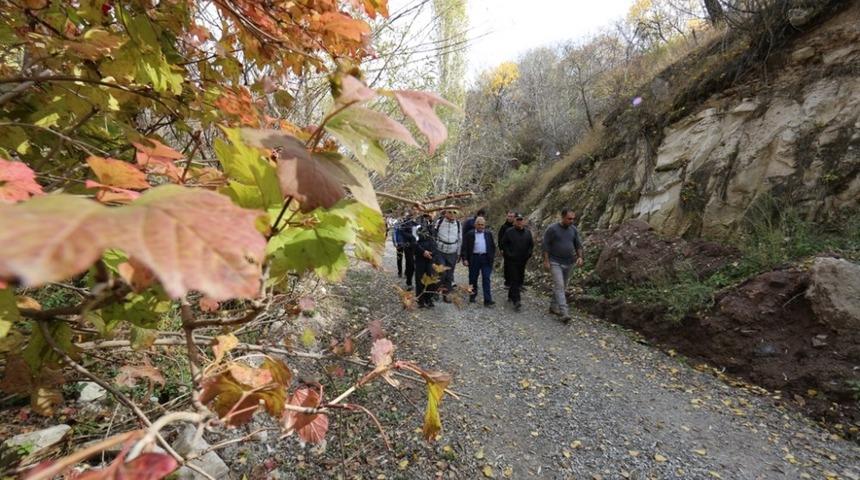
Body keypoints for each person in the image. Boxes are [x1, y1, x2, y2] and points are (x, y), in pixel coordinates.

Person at [542, 208, 584, 323]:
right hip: (555, 261)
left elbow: (578, 245)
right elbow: (545, 245)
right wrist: (546, 261)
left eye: (573, 219)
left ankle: (553, 306)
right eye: (569, 219)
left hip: (569, 262)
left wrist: (580, 257)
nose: (571, 221)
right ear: (562, 217)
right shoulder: (552, 229)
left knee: (562, 286)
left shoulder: (573, 230)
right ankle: (564, 312)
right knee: (560, 286)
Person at [500, 213, 534, 312]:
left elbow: (531, 245)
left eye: (521, 220)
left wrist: (529, 254)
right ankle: (517, 300)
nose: (519, 222)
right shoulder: (509, 232)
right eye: (517, 220)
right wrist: (508, 254)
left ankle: (511, 295)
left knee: (519, 279)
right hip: (511, 261)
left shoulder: (527, 232)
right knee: (514, 279)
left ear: (523, 221)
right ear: (515, 221)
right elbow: (503, 244)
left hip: (522, 260)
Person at [461, 216, 496, 307]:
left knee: (486, 278)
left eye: (482, 225)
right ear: (475, 225)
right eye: (479, 225)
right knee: (473, 278)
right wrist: (464, 259)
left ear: (485, 225)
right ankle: (472, 296)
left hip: (486, 258)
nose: (481, 227)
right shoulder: (470, 234)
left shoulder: (488, 234)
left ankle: (487, 300)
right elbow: (464, 247)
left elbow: (492, 246)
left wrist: (491, 257)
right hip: (474, 258)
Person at [433, 209, 461, 302]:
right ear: (445, 213)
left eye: (454, 212)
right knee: (441, 272)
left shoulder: (458, 224)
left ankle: (446, 294)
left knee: (449, 274)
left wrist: (459, 253)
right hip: (440, 251)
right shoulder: (439, 222)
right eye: (450, 212)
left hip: (452, 252)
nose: (452, 214)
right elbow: (434, 235)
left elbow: (460, 239)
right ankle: (436, 292)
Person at [413, 214, 437, 308]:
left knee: (431, 277)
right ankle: (420, 300)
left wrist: (433, 252)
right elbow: (413, 241)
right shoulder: (416, 224)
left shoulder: (433, 224)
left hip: (432, 255)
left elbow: (435, 240)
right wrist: (423, 252)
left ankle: (429, 298)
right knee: (420, 278)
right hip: (421, 255)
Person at [397, 211, 418, 288]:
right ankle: (409, 283)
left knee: (415, 265)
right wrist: (412, 236)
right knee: (410, 264)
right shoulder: (405, 223)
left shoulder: (418, 222)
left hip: (418, 247)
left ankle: (416, 282)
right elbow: (402, 232)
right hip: (408, 246)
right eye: (414, 214)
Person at [497, 211, 516, 288]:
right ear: (507, 217)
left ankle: (516, 282)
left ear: (514, 217)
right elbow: (500, 238)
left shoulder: (516, 226)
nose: (510, 218)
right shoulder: (504, 227)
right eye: (509, 216)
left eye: (512, 216)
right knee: (507, 266)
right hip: (507, 250)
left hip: (516, 250)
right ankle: (507, 282)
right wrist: (501, 248)